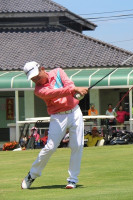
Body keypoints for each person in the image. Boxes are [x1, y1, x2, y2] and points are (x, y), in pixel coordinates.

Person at [21, 61, 88, 189]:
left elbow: (69, 84)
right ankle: (32, 175)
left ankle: (72, 180)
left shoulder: (58, 72)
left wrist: (75, 92)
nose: (36, 80)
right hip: (58, 116)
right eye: (33, 79)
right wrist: (74, 90)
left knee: (77, 145)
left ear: (42, 69)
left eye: (37, 76)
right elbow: (56, 93)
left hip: (75, 112)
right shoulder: (38, 90)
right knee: (51, 147)